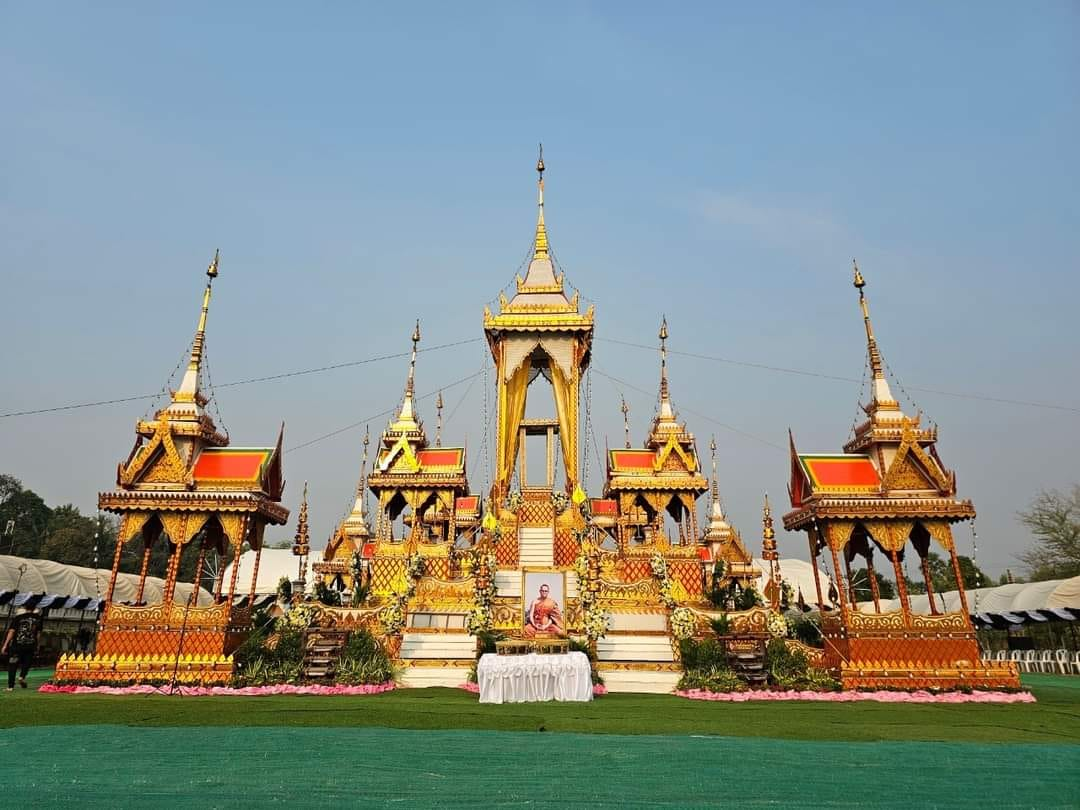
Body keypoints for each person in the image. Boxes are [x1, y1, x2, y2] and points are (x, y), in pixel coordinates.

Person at [2, 606, 43, 691]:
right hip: (30, 646)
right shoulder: (38, 619)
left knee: (12, 665)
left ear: (25, 608)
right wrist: (38, 645)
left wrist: (5, 645)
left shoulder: (18, 617)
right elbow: (38, 634)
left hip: (16, 646)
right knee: (27, 663)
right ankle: (22, 676)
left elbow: (11, 632)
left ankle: (10, 686)